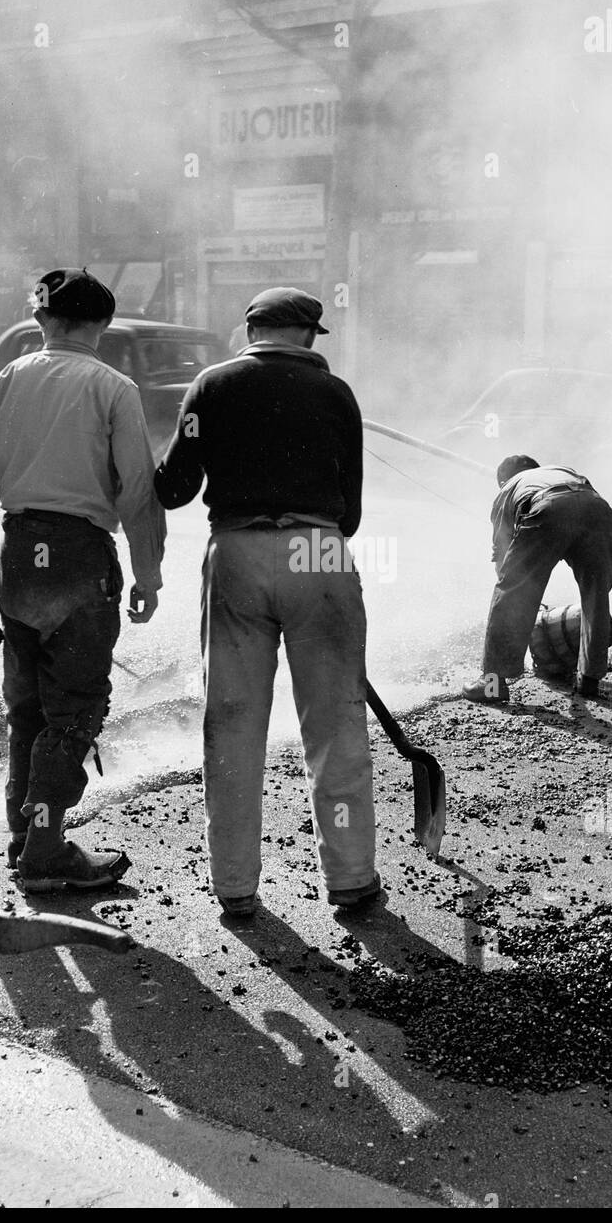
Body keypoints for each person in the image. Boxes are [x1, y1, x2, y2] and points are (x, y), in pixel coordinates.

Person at [154, 286, 380, 919]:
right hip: (321, 552)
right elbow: (352, 511)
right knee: (335, 722)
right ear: (308, 336)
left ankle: (234, 887)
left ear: (248, 330)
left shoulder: (208, 387)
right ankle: (353, 880)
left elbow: (173, 489)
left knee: (232, 724)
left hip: (237, 553)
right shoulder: (337, 395)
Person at [0, 268, 165, 894]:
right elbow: (138, 493)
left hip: (18, 558)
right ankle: (45, 851)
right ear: (102, 326)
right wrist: (148, 574)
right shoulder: (114, 388)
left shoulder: (5, 381)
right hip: (79, 561)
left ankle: (24, 834)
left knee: (28, 708)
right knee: (75, 711)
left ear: (41, 321)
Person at [462, 456, 612, 703]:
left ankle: (492, 685)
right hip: (598, 509)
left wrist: (519, 594)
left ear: (503, 480)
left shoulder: (509, 487)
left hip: (548, 508)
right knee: (596, 595)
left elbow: (503, 557)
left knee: (510, 594)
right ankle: (590, 679)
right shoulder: (563, 469)